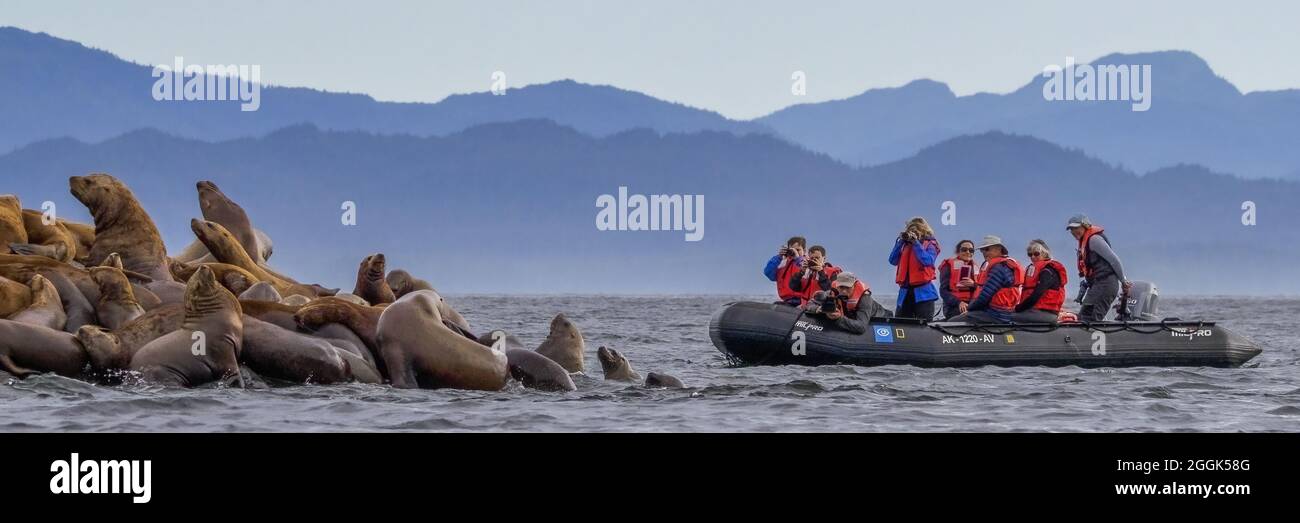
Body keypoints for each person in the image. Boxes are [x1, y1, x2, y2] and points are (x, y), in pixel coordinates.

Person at [1067, 214, 1130, 322]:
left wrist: (1123, 281)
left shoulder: (1094, 240)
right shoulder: (1084, 242)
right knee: (1083, 317)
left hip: (1105, 285)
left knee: (1092, 320)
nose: (1073, 231)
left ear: (1085, 226)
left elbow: (1114, 260)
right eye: (1071, 229)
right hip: (1097, 285)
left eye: (1076, 228)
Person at [949, 235, 1023, 324]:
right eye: (982, 250)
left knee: (953, 321)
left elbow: (985, 296)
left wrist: (968, 309)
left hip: (996, 315)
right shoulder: (1004, 265)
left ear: (998, 249)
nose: (984, 252)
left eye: (987, 249)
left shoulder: (998, 269)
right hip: (1003, 313)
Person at [804, 272, 891, 334]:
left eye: (848, 287)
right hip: (852, 317)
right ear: (837, 285)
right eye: (841, 287)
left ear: (854, 285)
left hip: (880, 317)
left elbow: (861, 327)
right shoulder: (832, 292)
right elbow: (809, 304)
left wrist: (839, 318)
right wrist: (818, 309)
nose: (844, 291)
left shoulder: (864, 298)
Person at [888, 217, 940, 320]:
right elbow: (892, 260)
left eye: (916, 230)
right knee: (901, 322)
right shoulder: (904, 244)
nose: (913, 233)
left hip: (924, 292)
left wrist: (916, 243)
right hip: (905, 292)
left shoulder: (930, 244)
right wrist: (901, 241)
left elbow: (927, 261)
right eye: (911, 230)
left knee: (923, 323)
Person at [1012, 239, 1067, 324]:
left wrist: (1017, 308)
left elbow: (1036, 295)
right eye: (1030, 254)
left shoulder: (1047, 271)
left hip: (1045, 313)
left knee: (1006, 317)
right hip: (1033, 311)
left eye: (1036, 254)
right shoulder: (1038, 270)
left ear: (1045, 254)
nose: (1033, 257)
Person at [937, 239, 979, 319]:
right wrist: (959, 302)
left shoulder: (976, 267)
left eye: (971, 250)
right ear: (957, 251)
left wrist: (974, 284)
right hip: (954, 305)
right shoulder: (948, 266)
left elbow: (981, 288)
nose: (968, 252)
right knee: (967, 316)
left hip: (972, 304)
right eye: (964, 249)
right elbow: (943, 291)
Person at [763, 236, 806, 306]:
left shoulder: (807, 263)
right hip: (788, 301)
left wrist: (798, 259)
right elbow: (768, 273)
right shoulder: (782, 264)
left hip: (803, 301)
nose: (795, 252)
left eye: (798, 250)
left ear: (804, 251)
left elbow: (808, 272)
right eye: (792, 250)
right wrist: (779, 257)